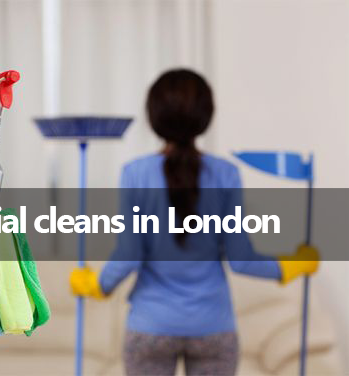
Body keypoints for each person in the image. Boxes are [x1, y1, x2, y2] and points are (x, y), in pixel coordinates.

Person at [69, 69, 319, 376]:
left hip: (150, 328)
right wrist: (292, 265)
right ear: (206, 115)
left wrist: (98, 285)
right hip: (213, 329)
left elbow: (129, 255)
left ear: (154, 117)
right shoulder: (226, 174)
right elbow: (241, 260)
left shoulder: (135, 173)